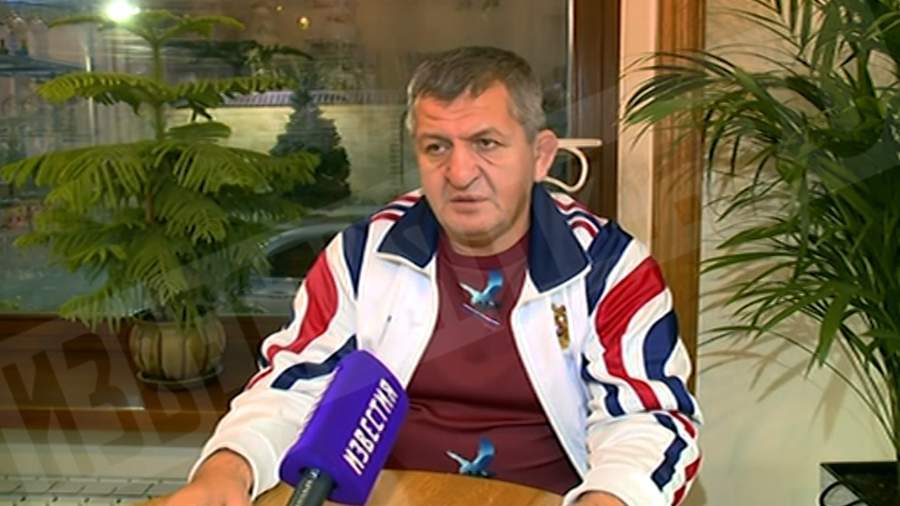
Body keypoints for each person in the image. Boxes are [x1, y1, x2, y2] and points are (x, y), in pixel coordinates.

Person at [164, 46, 701, 506]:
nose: (460, 174)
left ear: (540, 156)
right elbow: (293, 387)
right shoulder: (361, 254)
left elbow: (649, 420)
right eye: (437, 147)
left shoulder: (611, 267)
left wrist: (608, 499)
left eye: (486, 143)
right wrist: (224, 473)